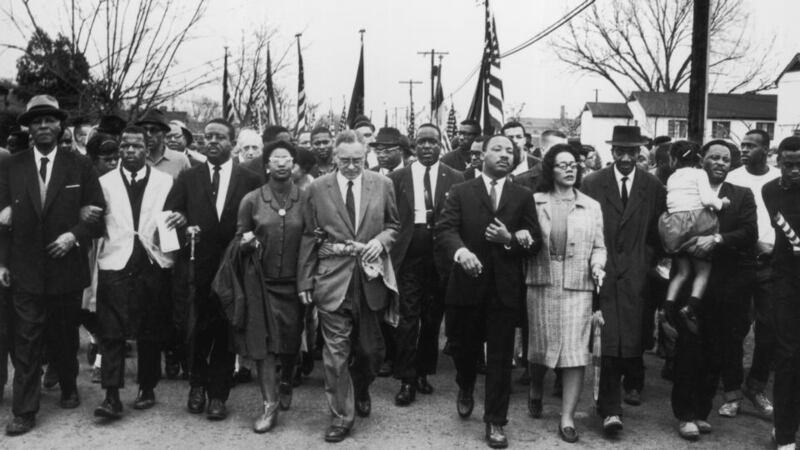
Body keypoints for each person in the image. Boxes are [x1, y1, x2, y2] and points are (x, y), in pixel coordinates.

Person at [0, 95, 105, 436]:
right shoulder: (13, 165)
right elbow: (2, 218)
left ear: (60, 126)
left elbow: (97, 214)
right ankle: (24, 411)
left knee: (63, 336)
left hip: (65, 266)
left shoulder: (80, 165)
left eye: (49, 121)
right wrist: (3, 261)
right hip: (25, 267)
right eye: (36, 121)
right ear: (28, 128)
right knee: (26, 339)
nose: (43, 126)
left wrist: (73, 236)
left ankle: (69, 384)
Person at [436, 134, 542, 448]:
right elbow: (445, 229)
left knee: (499, 359)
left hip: (504, 291)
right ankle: (466, 384)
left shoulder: (522, 195)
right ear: (482, 155)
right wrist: (461, 253)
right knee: (464, 349)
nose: (504, 155)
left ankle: (496, 421)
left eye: (510, 151)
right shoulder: (460, 191)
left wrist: (510, 238)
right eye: (497, 149)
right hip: (466, 288)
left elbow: (534, 241)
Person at [297, 130, 400, 443]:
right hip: (332, 280)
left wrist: (379, 243)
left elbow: (394, 226)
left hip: (370, 279)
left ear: (366, 153)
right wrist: (305, 279)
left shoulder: (383, 184)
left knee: (371, 352)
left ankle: (361, 388)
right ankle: (342, 415)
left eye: (357, 159)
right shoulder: (316, 188)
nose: (352, 166)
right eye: (345, 161)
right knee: (335, 353)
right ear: (335, 158)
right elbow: (308, 235)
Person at [163, 118, 261, 421]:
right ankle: (197, 385)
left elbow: (260, 222)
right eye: (208, 138)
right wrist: (180, 221)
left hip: (234, 268)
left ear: (232, 143)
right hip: (197, 267)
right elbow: (170, 214)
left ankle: (218, 394)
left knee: (225, 330)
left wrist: (249, 242)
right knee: (196, 329)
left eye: (219, 137)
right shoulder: (189, 178)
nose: (212, 142)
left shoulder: (249, 179)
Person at [668, 139, 757, 441]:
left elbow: (748, 233)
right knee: (688, 351)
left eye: (725, 159)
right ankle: (685, 414)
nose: (720, 162)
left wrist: (717, 240)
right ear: (701, 160)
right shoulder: (685, 188)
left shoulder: (741, 196)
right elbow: (667, 224)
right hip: (691, 285)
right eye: (714, 157)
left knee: (715, 353)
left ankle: (702, 411)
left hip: (725, 286)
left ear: (731, 164)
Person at [580, 125, 665, 436]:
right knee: (606, 339)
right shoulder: (592, 183)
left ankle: (628, 389)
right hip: (602, 270)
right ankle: (610, 409)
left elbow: (659, 232)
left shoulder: (653, 186)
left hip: (637, 275)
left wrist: (646, 263)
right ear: (611, 151)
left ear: (640, 151)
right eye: (620, 151)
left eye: (632, 151)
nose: (626, 157)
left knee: (632, 339)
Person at [522, 144, 606, 443]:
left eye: (573, 164)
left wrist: (597, 266)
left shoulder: (591, 206)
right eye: (562, 165)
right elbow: (525, 240)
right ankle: (535, 387)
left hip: (578, 286)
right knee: (539, 344)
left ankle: (567, 416)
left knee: (574, 352)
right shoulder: (533, 202)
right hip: (542, 281)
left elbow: (599, 246)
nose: (570, 169)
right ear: (550, 170)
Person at [92, 125, 175, 419]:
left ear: (147, 149)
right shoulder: (104, 182)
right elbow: (96, 221)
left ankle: (147, 386)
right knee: (111, 329)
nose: (129, 151)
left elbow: (171, 217)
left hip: (152, 260)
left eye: (136, 146)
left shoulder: (165, 182)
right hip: (115, 260)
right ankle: (111, 396)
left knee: (150, 327)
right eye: (124, 146)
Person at [387, 124, 464, 406]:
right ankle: (406, 378)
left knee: (432, 318)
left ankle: (422, 372)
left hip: (441, 254)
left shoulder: (456, 177)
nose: (428, 147)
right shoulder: (399, 177)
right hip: (410, 252)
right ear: (413, 146)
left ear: (440, 145)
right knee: (408, 316)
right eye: (422, 142)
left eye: (432, 141)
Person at [232, 140, 305, 432]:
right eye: (276, 159)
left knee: (289, 342)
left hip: (295, 284)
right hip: (261, 284)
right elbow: (239, 238)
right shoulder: (252, 199)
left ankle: (286, 379)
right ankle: (269, 404)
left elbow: (313, 237)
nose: (282, 163)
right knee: (265, 347)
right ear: (266, 165)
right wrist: (247, 243)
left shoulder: (306, 197)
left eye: (287, 158)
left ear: (294, 165)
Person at [722, 128, 779, 419]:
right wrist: (753, 242)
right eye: (742, 145)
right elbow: (727, 222)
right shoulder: (732, 178)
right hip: (740, 261)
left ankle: (755, 386)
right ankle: (731, 391)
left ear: (766, 150)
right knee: (735, 327)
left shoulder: (780, 178)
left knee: (769, 329)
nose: (743, 149)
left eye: (751, 145)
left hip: (773, 264)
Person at [659, 141, 730, 334]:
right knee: (702, 272)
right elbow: (707, 200)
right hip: (697, 223)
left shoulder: (672, 177)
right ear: (699, 159)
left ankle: (667, 306)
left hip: (673, 226)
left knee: (682, 272)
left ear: (673, 160)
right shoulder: (700, 174)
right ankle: (690, 307)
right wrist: (722, 204)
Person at [763, 136, 800, 450]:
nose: (796, 170)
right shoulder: (770, 190)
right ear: (778, 162)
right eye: (789, 164)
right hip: (786, 280)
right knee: (788, 356)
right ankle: (785, 433)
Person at [136, 109, 191, 179]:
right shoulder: (135, 158)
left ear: (164, 134)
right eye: (144, 129)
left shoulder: (180, 160)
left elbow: (190, 187)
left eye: (154, 130)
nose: (148, 134)